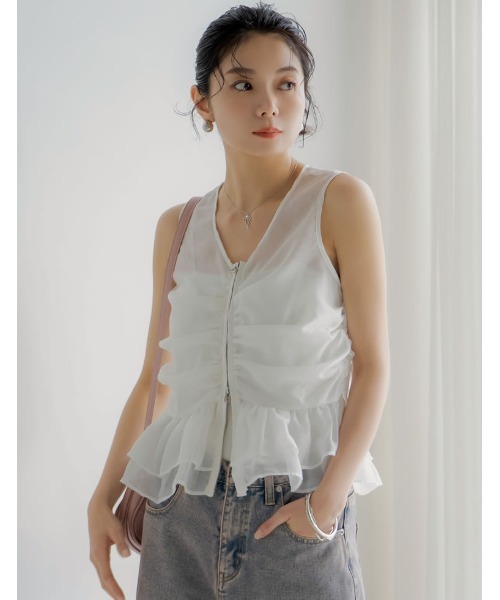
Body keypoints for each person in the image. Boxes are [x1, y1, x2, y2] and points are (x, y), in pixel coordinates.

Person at [87, 3, 390, 599]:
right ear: (203, 102)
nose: (268, 105)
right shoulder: (178, 226)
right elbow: (155, 377)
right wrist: (103, 494)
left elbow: (373, 363)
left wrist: (326, 504)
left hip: (294, 510)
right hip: (179, 509)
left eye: (287, 84)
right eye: (244, 84)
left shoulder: (340, 202)